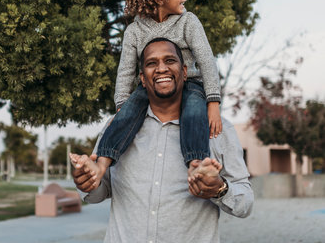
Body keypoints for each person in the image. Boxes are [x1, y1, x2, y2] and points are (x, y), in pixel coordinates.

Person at [72, 38, 253, 242]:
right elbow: (99, 192)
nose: (161, 69)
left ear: (185, 72)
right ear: (142, 77)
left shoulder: (218, 129)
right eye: (151, 63)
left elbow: (245, 203)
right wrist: (86, 182)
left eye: (170, 60)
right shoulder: (117, 128)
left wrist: (219, 188)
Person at [71, 0, 222, 188]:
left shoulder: (188, 22)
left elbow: (206, 61)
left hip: (189, 85)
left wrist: (213, 102)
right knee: (127, 113)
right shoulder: (134, 31)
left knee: (193, 112)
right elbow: (125, 72)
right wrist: (122, 106)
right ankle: (101, 163)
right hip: (149, 88)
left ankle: (196, 163)